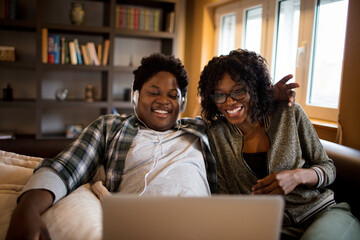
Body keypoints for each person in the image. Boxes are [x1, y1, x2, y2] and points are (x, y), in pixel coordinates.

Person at [6, 52, 295, 240]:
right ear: (135, 96)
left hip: (205, 228)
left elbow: (238, 109)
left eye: (173, 95)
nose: (163, 101)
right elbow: (66, 166)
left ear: (182, 102)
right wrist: (27, 210)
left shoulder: (202, 129)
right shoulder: (110, 127)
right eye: (153, 92)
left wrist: (269, 96)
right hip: (140, 229)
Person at [198, 49, 360, 240]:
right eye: (219, 95)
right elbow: (224, 197)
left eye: (238, 91)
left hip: (320, 213)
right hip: (269, 227)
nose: (229, 102)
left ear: (253, 87)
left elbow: (328, 168)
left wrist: (297, 176)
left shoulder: (289, 113)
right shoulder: (216, 135)